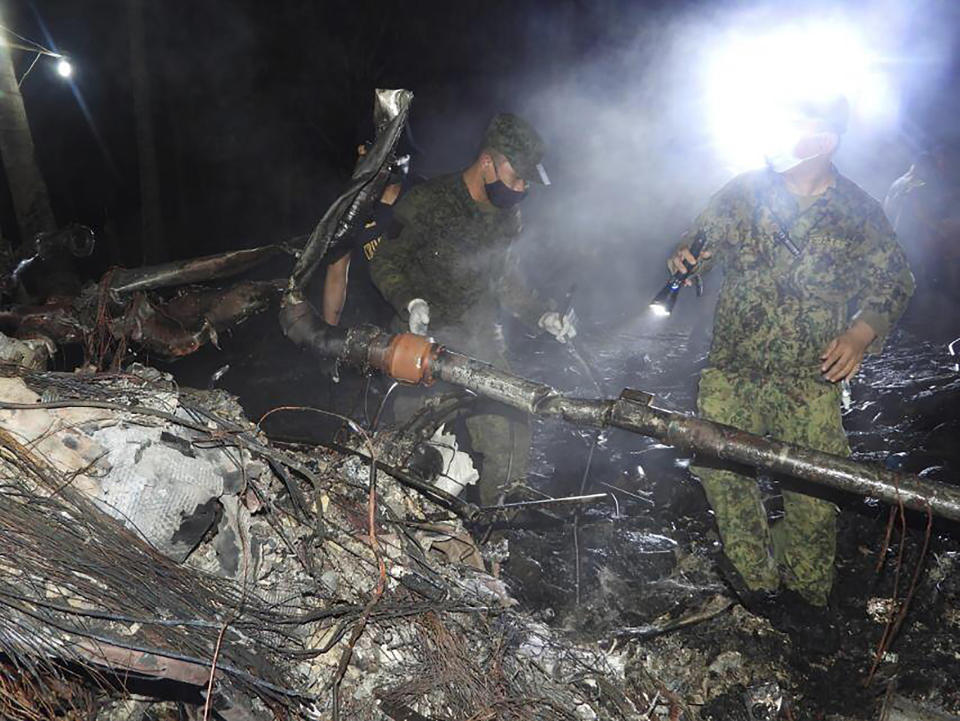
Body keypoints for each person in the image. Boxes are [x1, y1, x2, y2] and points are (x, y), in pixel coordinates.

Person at [667, 96, 914, 610]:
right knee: (721, 470)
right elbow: (700, 241)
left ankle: (806, 598)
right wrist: (687, 256)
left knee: (816, 492)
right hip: (733, 368)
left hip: (810, 376)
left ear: (825, 142)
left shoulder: (856, 210)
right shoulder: (744, 191)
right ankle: (759, 586)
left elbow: (894, 281)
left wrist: (860, 335)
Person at [370, 113, 575, 503]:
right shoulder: (427, 202)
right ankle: (412, 535)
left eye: (528, 180)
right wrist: (409, 300)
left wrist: (541, 314)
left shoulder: (507, 217)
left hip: (480, 339)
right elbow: (384, 261)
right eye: (517, 176)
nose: (522, 187)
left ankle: (496, 537)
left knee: (513, 432)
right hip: (422, 341)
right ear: (487, 162)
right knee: (417, 453)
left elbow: (506, 282)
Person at [322, 143, 415, 328]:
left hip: (423, 314)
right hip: (373, 323)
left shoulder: (422, 193)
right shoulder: (353, 208)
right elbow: (336, 274)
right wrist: (328, 334)